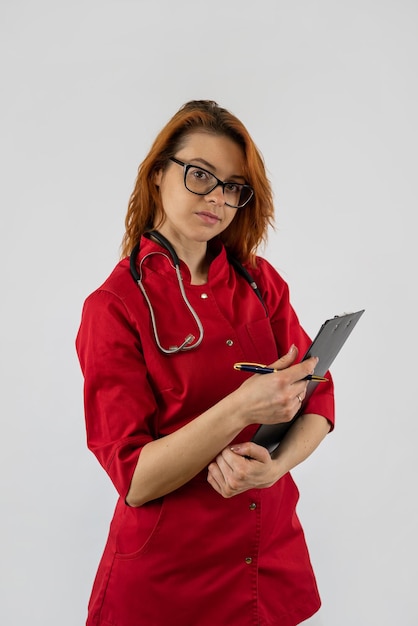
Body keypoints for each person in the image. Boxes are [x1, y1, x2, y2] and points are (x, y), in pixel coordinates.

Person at [76, 99, 335, 626]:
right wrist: (240, 408)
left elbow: (320, 395)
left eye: (233, 186)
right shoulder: (114, 307)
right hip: (170, 581)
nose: (217, 197)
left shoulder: (260, 282)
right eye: (200, 175)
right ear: (156, 177)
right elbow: (135, 479)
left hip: (267, 562)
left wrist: (276, 469)